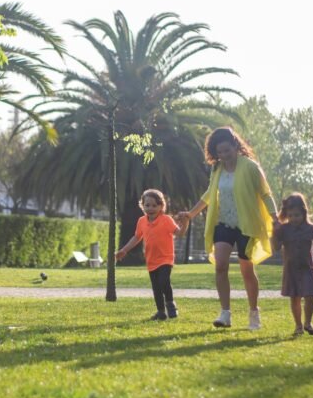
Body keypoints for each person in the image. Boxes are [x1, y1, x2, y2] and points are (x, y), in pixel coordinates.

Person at [177, 127, 279, 330]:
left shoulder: (250, 167)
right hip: (224, 223)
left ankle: (253, 313)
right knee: (220, 265)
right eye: (219, 152)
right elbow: (209, 194)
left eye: (226, 150)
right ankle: (225, 313)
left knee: (246, 270)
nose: (223, 155)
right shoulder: (217, 170)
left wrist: (275, 218)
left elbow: (265, 193)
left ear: (235, 146)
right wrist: (191, 214)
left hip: (246, 225)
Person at [272, 192, 313, 336]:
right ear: (287, 214)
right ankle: (298, 325)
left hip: (307, 268)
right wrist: (274, 233)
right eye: (291, 215)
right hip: (291, 269)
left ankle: (308, 323)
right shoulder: (284, 229)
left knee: (310, 296)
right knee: (295, 298)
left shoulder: (310, 228)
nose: (294, 218)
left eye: (297, 215)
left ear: (304, 213)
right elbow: (275, 247)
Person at [116, 189, 181, 320]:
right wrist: (124, 250)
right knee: (156, 287)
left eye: (154, 205)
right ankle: (161, 312)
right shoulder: (141, 221)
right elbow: (136, 238)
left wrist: (185, 222)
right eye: (147, 205)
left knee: (164, 281)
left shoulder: (166, 220)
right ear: (142, 205)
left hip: (165, 258)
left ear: (161, 206)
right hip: (151, 260)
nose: (150, 208)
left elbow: (178, 233)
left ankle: (170, 303)